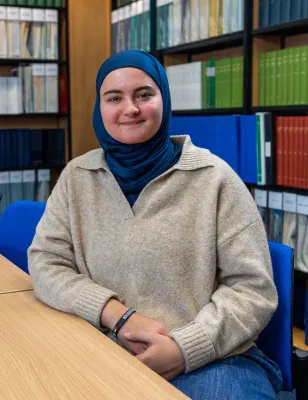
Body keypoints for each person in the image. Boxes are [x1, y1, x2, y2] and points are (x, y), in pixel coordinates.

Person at [28, 50, 282, 399]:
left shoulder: (215, 179)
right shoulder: (77, 177)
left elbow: (253, 291)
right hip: (102, 346)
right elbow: (46, 262)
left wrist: (184, 348)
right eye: (114, 97)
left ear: (164, 99)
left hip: (212, 358)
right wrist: (117, 315)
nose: (130, 108)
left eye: (144, 94)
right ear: (99, 109)